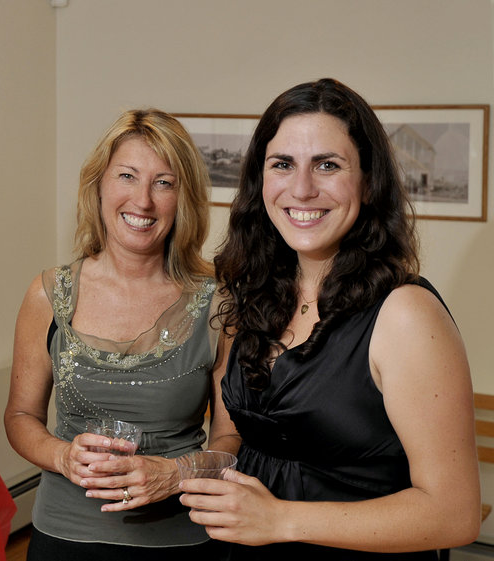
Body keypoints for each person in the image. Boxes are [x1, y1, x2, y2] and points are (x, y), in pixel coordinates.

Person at [179, 78, 480, 560]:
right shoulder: (253, 296)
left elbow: (454, 514)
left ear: (367, 181)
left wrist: (279, 519)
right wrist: (172, 473)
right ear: (261, 180)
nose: (302, 188)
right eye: (283, 164)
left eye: (327, 165)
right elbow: (235, 439)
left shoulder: (404, 314)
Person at [4, 108, 238, 561]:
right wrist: (62, 457)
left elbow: (230, 441)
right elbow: (19, 418)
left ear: (183, 197)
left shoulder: (219, 302)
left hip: (181, 540)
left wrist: (174, 472)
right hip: (64, 538)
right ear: (99, 185)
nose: (143, 200)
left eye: (163, 182)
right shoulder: (49, 293)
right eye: (127, 176)